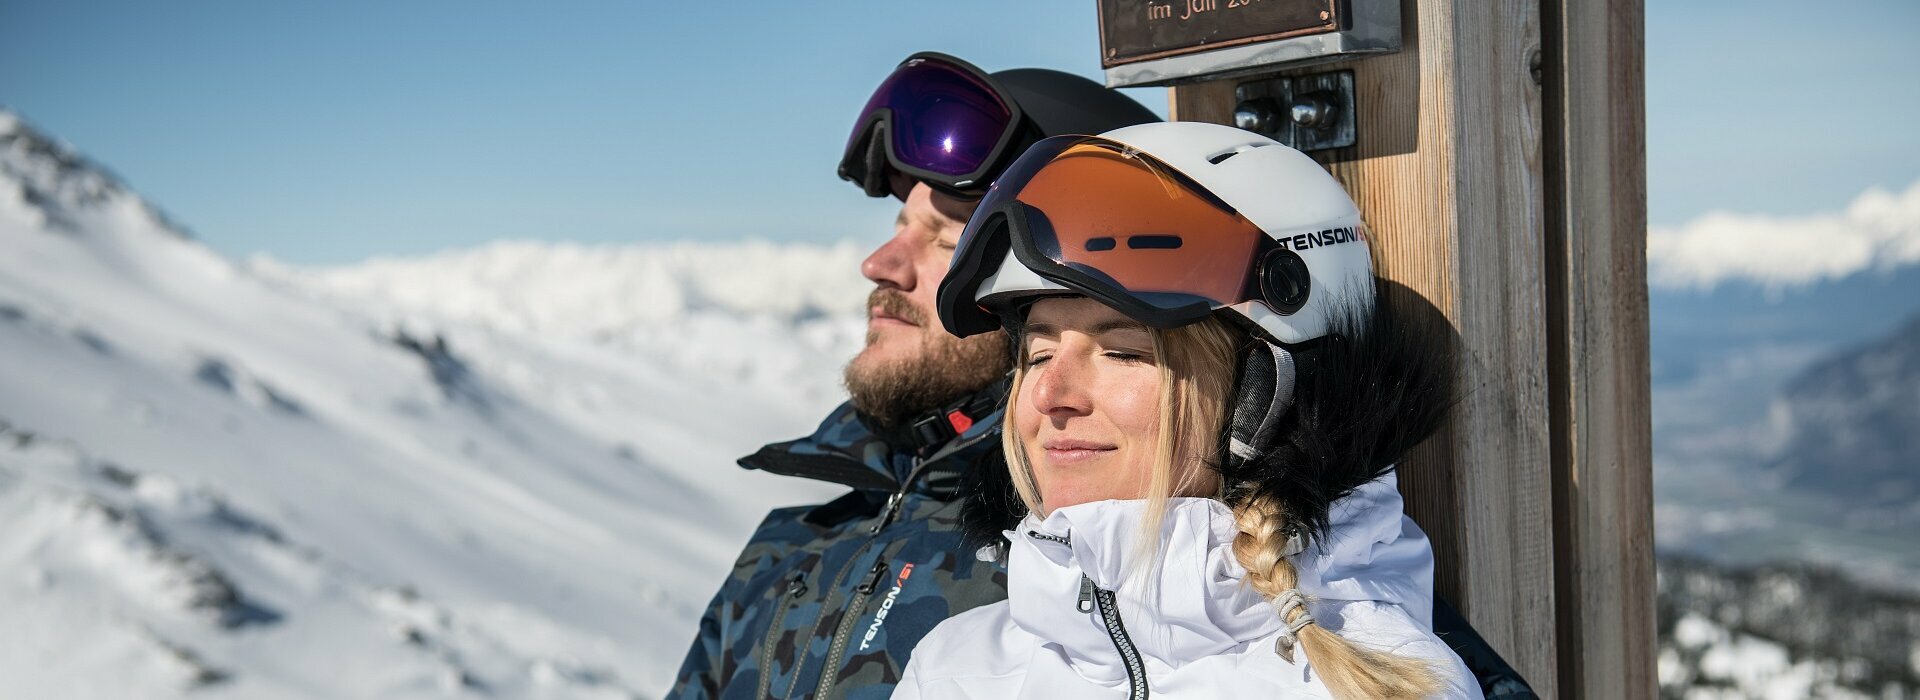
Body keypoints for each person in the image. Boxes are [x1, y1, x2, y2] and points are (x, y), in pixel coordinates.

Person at [896, 121, 1483, 698]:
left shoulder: (1383, 682)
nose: (1051, 396)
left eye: (1124, 353)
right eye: (1038, 353)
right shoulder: (955, 668)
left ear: (1263, 396)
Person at [666, 53, 1162, 700]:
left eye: (945, 239)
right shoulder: (786, 553)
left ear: (1068, 289)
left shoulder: (1100, 564)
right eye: (899, 227)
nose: (879, 265)